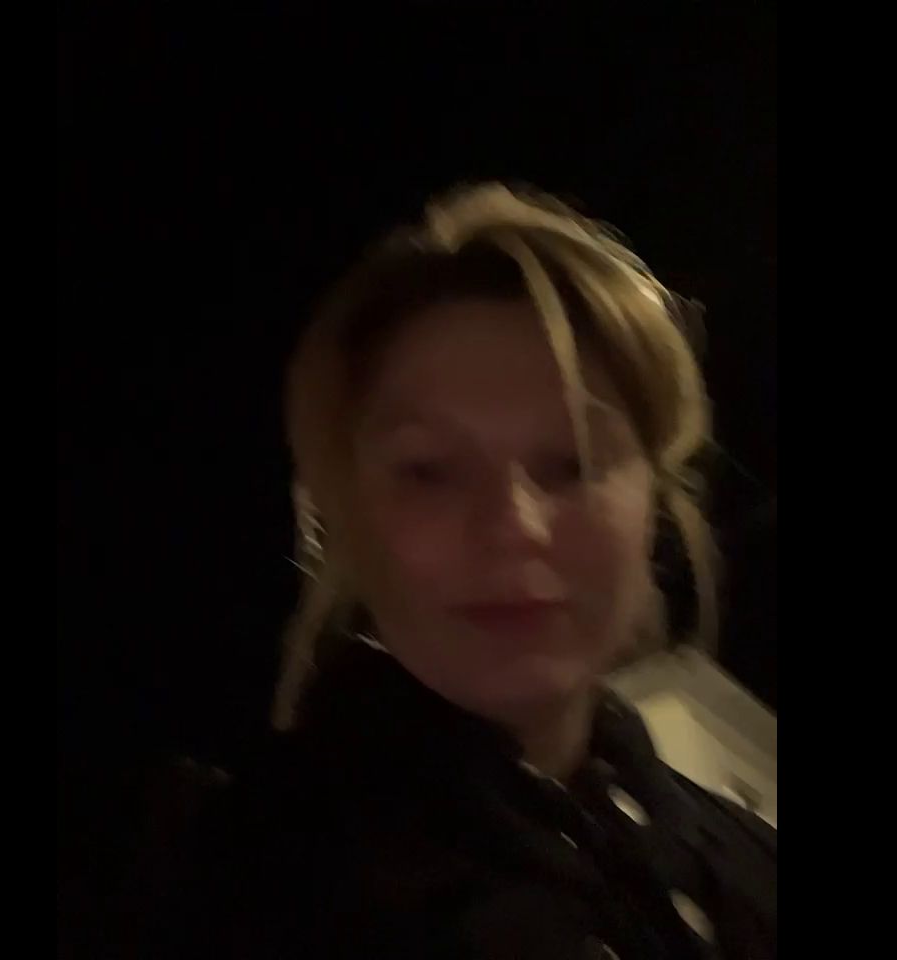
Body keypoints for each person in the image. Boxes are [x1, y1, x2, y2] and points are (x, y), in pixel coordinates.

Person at [162, 183, 777, 959]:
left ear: (653, 505)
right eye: (429, 471)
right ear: (346, 517)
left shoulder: (747, 864)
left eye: (572, 462)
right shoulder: (239, 892)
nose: (513, 526)